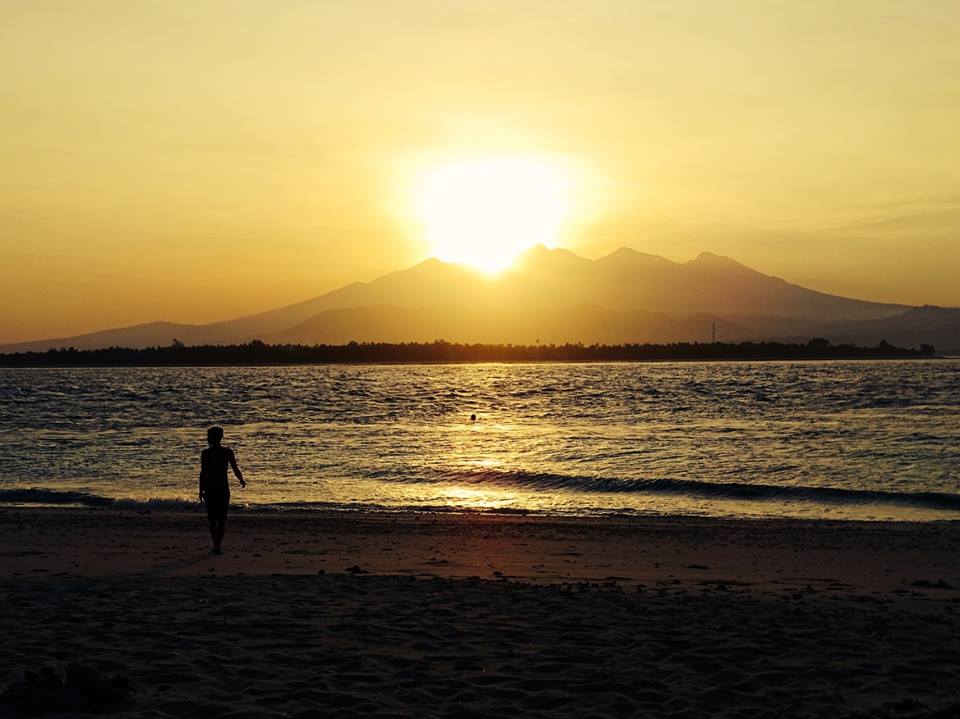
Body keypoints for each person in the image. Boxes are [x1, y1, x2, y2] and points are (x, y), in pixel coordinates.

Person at [199, 426, 245, 554]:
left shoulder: (206, 453)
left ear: (212, 438)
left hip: (211, 488)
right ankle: (217, 546)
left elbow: (203, 473)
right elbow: (235, 469)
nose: (207, 439)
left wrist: (201, 489)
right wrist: (241, 479)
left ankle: (216, 545)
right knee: (221, 518)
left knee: (213, 519)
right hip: (223, 488)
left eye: (208, 437)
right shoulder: (227, 452)